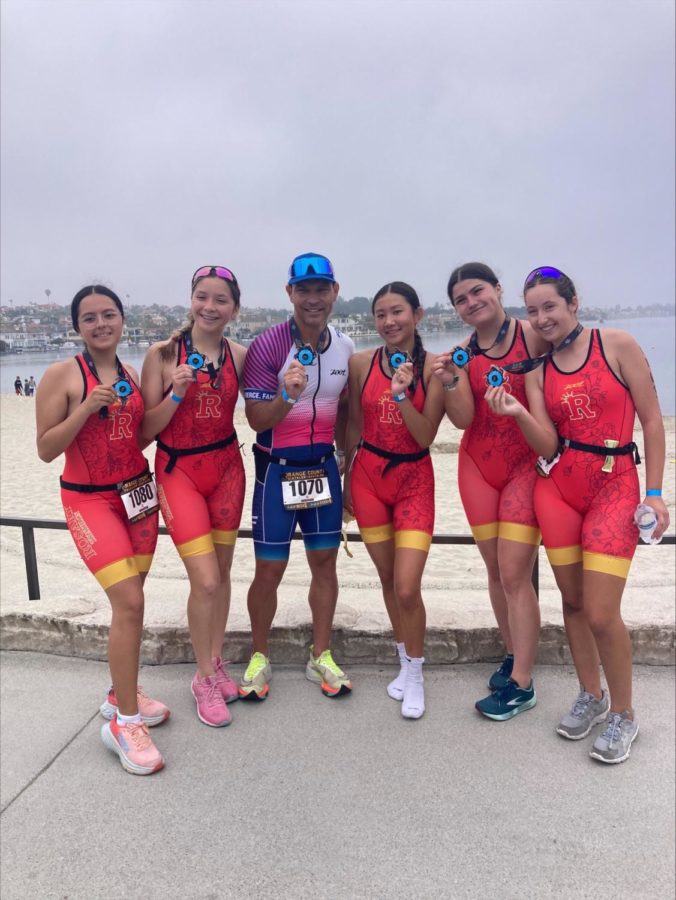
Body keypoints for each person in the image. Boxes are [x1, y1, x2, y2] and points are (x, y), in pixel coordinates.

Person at [485, 265, 669, 763]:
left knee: (602, 612)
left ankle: (624, 715)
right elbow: (547, 444)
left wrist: (654, 493)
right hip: (558, 489)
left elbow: (652, 420)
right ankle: (592, 694)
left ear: (573, 303)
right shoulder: (540, 369)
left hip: (614, 484)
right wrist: (520, 414)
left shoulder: (618, 345)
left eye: (550, 306)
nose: (542, 318)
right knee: (571, 602)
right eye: (533, 310)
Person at [35, 285, 168, 776]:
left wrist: (177, 392)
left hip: (137, 496)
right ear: (77, 327)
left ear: (122, 320)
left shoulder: (130, 373)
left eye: (108, 315)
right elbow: (47, 449)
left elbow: (139, 435)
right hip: (89, 500)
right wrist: (85, 408)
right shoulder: (61, 374)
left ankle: (120, 694)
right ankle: (124, 725)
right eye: (89, 318)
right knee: (130, 603)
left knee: (130, 602)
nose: (100, 324)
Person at [432, 262, 549, 720]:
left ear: (498, 289)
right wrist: (449, 380)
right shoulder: (461, 353)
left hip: (524, 465)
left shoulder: (532, 337)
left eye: (477, 291)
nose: (471, 302)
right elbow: (462, 420)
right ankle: (512, 652)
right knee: (496, 572)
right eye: (461, 299)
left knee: (515, 572)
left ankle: (522, 683)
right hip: (477, 466)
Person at [239, 252, 354, 701]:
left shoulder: (344, 347)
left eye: (321, 289)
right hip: (276, 471)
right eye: (303, 290)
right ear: (289, 293)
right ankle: (259, 655)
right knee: (270, 568)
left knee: (324, 564)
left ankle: (320, 654)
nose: (312, 298)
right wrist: (287, 397)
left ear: (334, 292)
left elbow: (345, 410)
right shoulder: (268, 346)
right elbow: (254, 417)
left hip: (323, 468)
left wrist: (346, 455)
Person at [141, 265, 246, 728]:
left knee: (221, 576)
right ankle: (202, 677)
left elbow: (267, 401)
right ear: (191, 301)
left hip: (226, 467)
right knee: (203, 579)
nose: (210, 306)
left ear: (234, 309)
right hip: (177, 469)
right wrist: (177, 394)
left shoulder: (240, 356)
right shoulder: (162, 355)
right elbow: (144, 430)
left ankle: (216, 659)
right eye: (202, 297)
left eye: (220, 300)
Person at [343, 282, 444, 718]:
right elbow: (352, 424)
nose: (389, 322)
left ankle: (417, 674)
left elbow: (425, 435)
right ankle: (404, 663)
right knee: (387, 580)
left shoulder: (435, 369)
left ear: (417, 315)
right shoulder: (361, 363)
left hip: (413, 478)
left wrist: (401, 394)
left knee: (407, 586)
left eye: (398, 312)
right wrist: (346, 478)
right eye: (381, 314)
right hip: (367, 476)